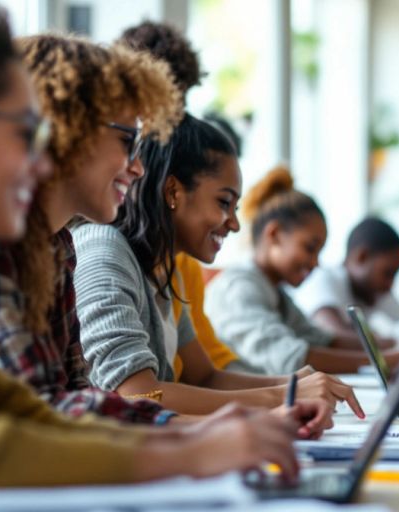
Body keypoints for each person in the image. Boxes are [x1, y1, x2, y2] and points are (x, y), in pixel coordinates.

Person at [0, 1, 318, 498]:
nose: (40, 159)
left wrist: (188, 429)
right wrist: (191, 448)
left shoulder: (47, 252)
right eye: (26, 134)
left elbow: (40, 405)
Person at [0, 32, 187, 425]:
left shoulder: (59, 246)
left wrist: (200, 429)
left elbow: (67, 396)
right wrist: (187, 431)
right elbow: (34, 410)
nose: (139, 167)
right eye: (128, 141)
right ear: (69, 131)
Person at [73, 114, 362, 417]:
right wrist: (283, 395)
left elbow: (204, 377)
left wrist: (294, 383)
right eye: (224, 203)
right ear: (173, 192)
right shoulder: (104, 251)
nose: (235, 224)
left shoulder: (164, 270)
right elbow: (138, 394)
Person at [118, 20, 254, 375]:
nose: (169, 127)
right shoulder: (104, 247)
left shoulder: (176, 259)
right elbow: (140, 396)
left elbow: (207, 371)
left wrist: (288, 391)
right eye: (149, 115)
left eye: (178, 107)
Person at [207, 166, 399, 375]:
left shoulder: (277, 294)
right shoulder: (239, 288)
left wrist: (388, 345)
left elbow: (324, 341)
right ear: (274, 234)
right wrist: (389, 360)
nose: (315, 263)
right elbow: (294, 359)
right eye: (310, 248)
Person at [294, 216, 399, 343]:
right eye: (388, 273)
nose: (390, 284)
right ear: (362, 257)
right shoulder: (322, 279)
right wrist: (391, 343)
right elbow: (332, 335)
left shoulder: (376, 293)